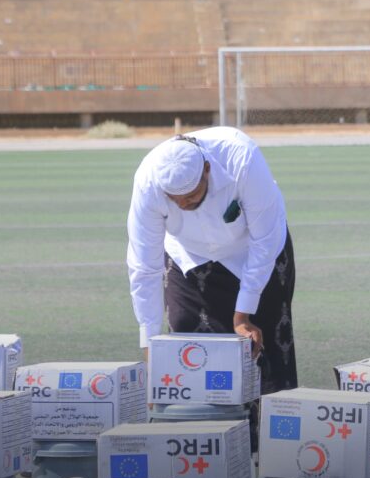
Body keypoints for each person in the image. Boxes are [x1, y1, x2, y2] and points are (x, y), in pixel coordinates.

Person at [127, 126, 298, 404]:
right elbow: (143, 265)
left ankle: (266, 440)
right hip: (188, 258)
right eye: (175, 199)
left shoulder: (242, 157)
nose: (183, 204)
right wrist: (150, 347)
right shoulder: (148, 182)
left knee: (264, 350)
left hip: (254, 255)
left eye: (192, 196)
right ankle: (204, 437)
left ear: (206, 168)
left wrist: (243, 315)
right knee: (185, 348)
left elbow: (265, 240)